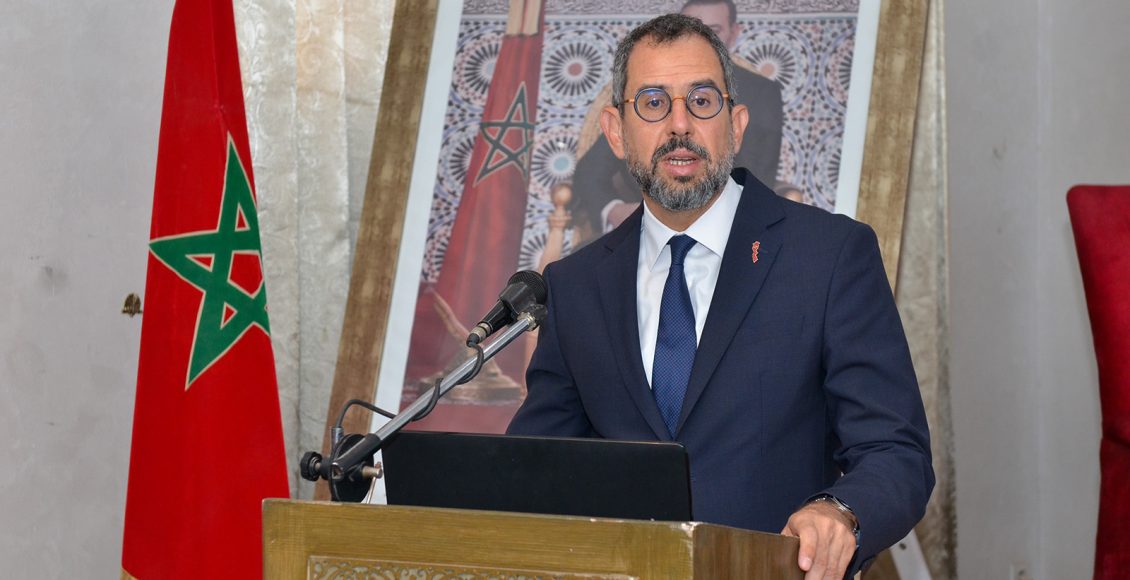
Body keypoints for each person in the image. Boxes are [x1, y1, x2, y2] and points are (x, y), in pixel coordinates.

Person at [507, 13, 933, 579]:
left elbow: (895, 451)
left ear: (736, 124)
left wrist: (840, 512)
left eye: (702, 101)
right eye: (653, 103)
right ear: (616, 131)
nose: (680, 124)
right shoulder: (575, 285)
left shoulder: (827, 256)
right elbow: (532, 471)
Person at [569, 0, 784, 243]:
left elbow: (758, 179)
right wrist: (615, 210)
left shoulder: (761, 92)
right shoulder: (642, 89)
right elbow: (590, 170)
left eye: (702, 102)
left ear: (734, 34)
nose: (680, 125)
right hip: (641, 234)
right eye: (689, 29)